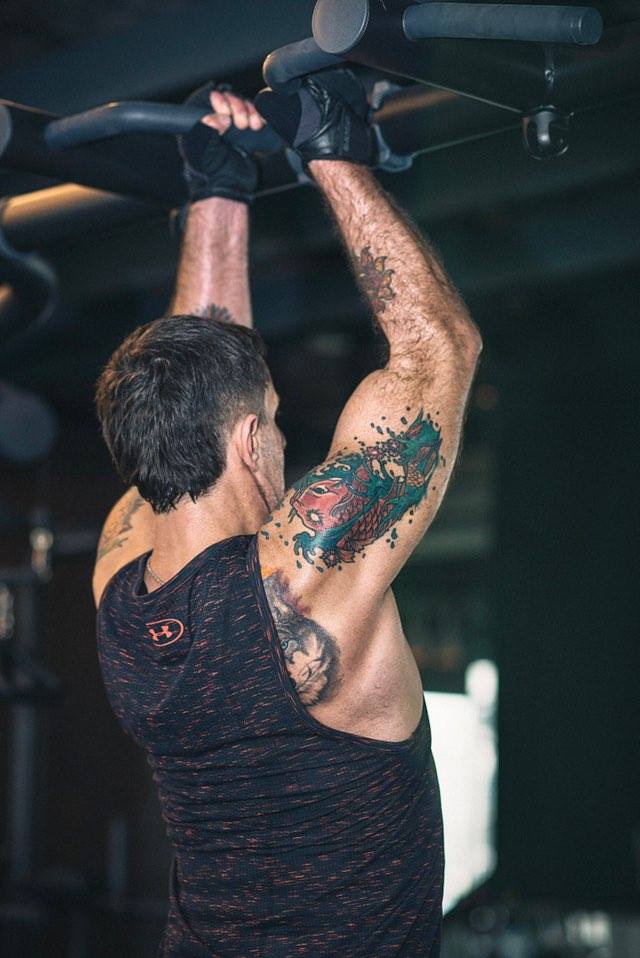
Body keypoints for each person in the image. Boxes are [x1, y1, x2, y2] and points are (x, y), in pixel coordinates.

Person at [93, 72, 481, 958]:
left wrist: (217, 193)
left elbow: (194, 385)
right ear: (247, 441)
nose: (279, 436)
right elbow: (440, 350)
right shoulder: (300, 583)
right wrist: (332, 149)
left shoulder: (118, 590)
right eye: (270, 419)